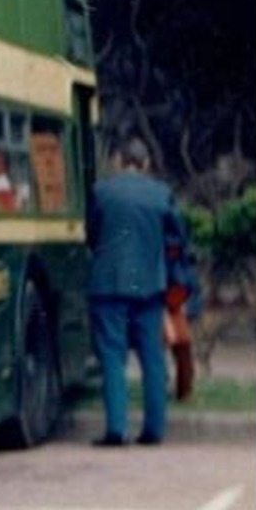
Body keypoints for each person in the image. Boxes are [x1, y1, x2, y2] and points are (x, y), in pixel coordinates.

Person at [85, 135, 190, 447]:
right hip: (148, 286)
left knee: (112, 357)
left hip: (109, 284)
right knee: (152, 358)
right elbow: (178, 237)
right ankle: (154, 429)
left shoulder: (101, 192)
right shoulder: (161, 194)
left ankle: (117, 428)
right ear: (146, 164)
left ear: (118, 161)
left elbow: (92, 233)